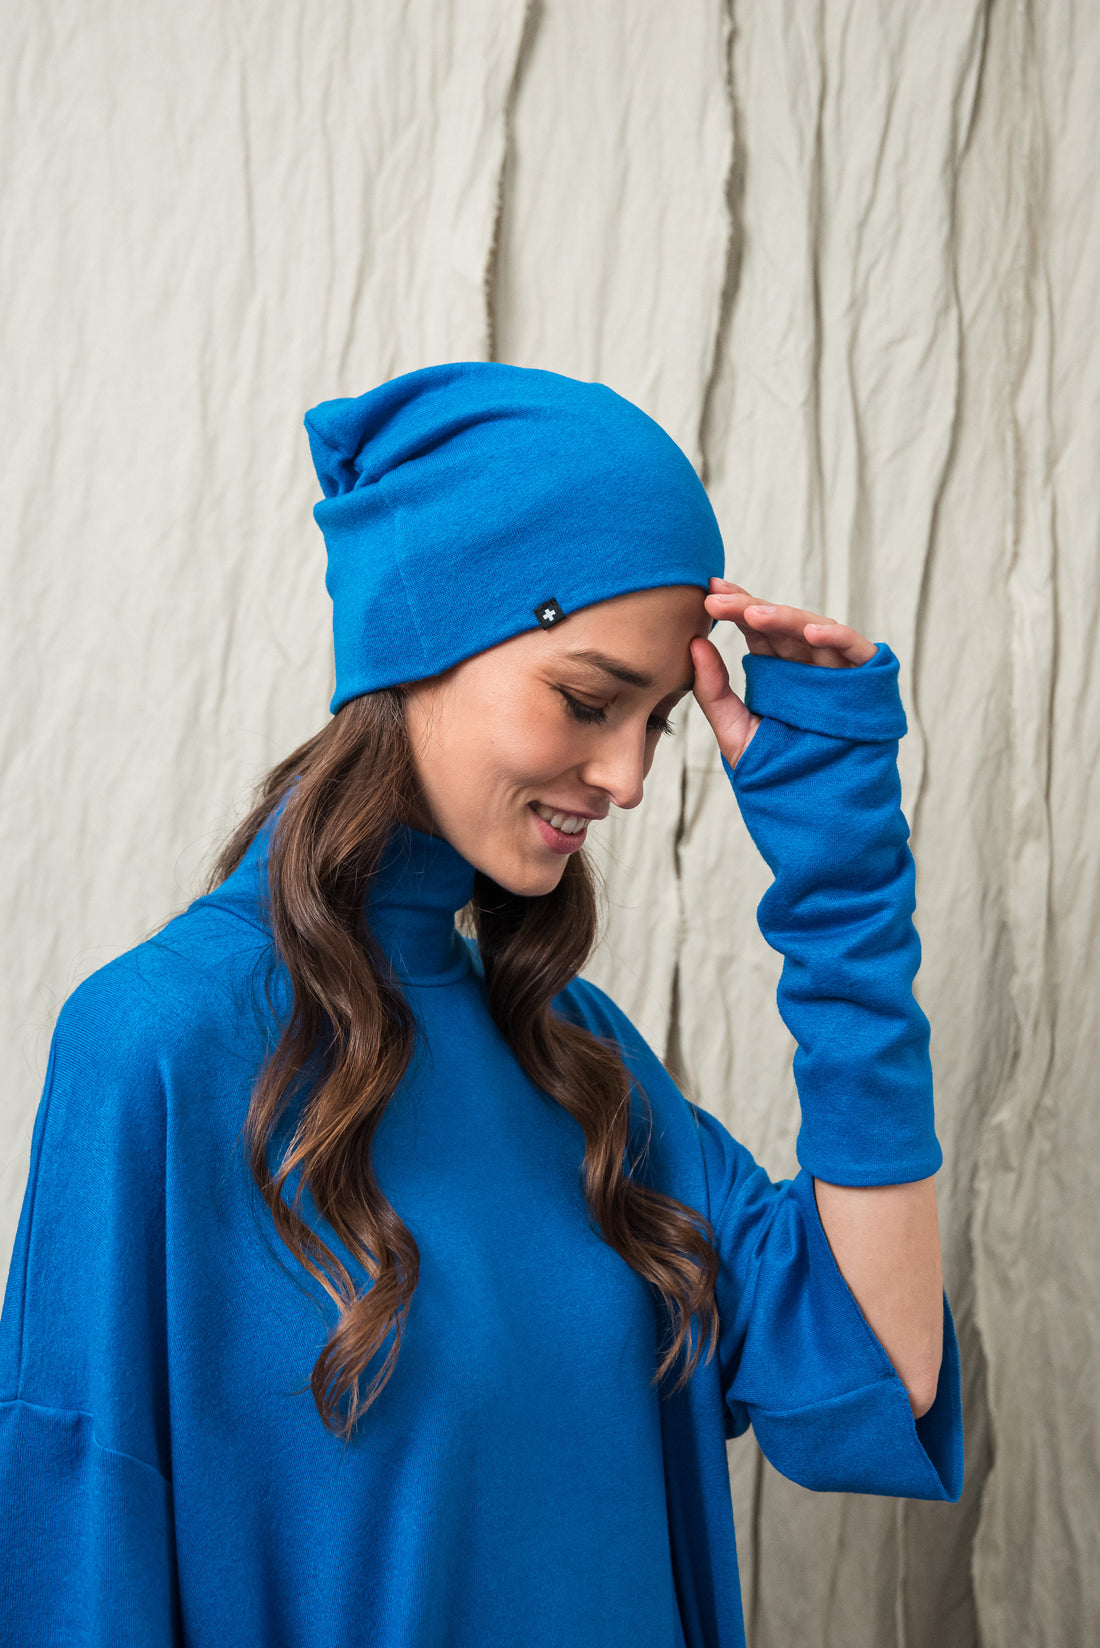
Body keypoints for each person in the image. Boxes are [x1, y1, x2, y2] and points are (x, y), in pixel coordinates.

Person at [0, 362, 962, 1648]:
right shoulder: (157, 1046)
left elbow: (883, 1365)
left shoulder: (583, 1063)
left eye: (657, 722)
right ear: (424, 634)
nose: (626, 776)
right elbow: (73, 1544)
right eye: (587, 700)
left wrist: (843, 886)